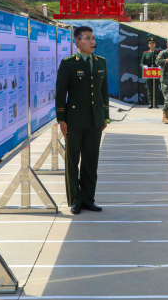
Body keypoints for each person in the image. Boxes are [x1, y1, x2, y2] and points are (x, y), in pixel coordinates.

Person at [56, 26, 109, 215]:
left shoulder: (100, 62)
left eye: (93, 38)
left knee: (91, 161)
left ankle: (88, 199)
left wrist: (105, 116)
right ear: (77, 42)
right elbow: (61, 92)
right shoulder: (69, 63)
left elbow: (104, 91)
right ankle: (75, 199)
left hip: (95, 119)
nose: (92, 41)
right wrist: (61, 119)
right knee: (73, 161)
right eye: (88, 38)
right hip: (74, 120)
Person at [141, 36, 161, 109]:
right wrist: (144, 66)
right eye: (150, 44)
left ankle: (155, 104)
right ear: (148, 45)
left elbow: (161, 61)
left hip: (156, 73)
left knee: (156, 88)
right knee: (149, 89)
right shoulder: (145, 53)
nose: (152, 45)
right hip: (148, 73)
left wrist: (160, 66)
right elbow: (142, 62)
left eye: (153, 43)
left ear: (155, 45)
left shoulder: (158, 53)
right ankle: (150, 104)